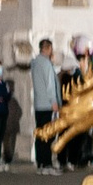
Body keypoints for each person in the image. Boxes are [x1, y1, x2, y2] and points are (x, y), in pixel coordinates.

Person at [29, 39, 62, 176]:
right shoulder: (46, 64)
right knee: (48, 135)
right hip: (48, 105)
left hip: (39, 104)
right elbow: (50, 85)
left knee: (41, 135)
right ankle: (47, 164)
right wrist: (54, 102)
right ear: (47, 48)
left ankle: (41, 163)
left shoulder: (35, 63)